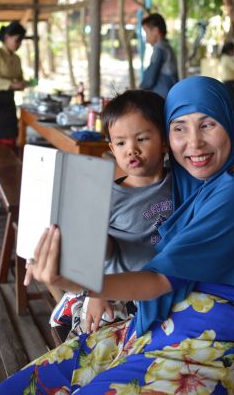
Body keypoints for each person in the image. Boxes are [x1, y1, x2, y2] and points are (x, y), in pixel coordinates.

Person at [0, 76, 234, 394]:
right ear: (168, 137)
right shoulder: (191, 177)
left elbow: (160, 281)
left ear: (229, 121)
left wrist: (81, 283)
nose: (194, 142)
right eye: (180, 127)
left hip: (210, 328)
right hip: (158, 315)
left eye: (208, 124)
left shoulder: (233, 190)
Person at [50, 89, 173, 335]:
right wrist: (97, 291)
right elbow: (97, 252)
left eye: (142, 139)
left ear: (165, 141)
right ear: (111, 148)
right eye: (121, 143)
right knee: (91, 337)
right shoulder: (108, 197)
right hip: (117, 289)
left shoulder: (179, 180)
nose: (131, 150)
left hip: (163, 286)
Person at [0, 21, 27, 149]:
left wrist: (23, 83)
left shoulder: (17, 59)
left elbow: (20, 78)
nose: (18, 44)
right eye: (17, 40)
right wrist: (11, 84)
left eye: (21, 41)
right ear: (7, 37)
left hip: (9, 102)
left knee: (11, 137)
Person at [140, 13, 178, 98]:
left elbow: (149, 79)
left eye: (146, 33)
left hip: (163, 99)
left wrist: (138, 89)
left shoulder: (160, 49)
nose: (146, 39)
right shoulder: (167, 47)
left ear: (156, 31)